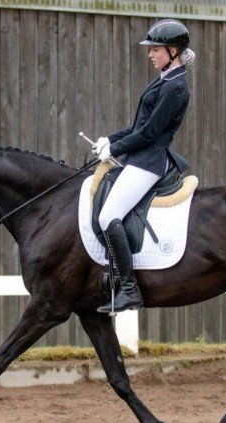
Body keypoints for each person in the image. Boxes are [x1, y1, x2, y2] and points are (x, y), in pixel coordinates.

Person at [93, 18, 195, 313]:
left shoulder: (176, 87)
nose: (150, 54)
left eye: (155, 49)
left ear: (173, 50)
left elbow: (149, 134)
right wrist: (108, 140)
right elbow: (139, 126)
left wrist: (115, 148)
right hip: (140, 157)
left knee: (107, 216)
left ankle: (129, 289)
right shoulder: (165, 79)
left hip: (149, 162)